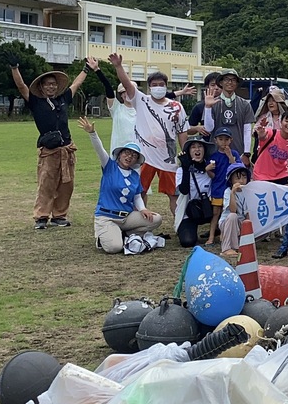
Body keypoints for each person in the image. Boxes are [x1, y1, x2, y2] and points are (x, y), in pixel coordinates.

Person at [11, 59, 88, 229]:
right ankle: (41, 217)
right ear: (41, 87)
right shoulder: (36, 102)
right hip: (49, 150)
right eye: (47, 85)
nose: (51, 87)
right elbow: (21, 86)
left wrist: (86, 69)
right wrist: (15, 67)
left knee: (66, 184)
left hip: (66, 148)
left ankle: (59, 216)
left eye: (53, 84)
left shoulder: (63, 99)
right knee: (46, 184)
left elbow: (76, 84)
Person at [111, 54, 188, 221]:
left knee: (173, 194)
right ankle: (138, 223)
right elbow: (126, 84)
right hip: (144, 157)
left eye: (161, 85)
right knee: (140, 191)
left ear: (166, 86)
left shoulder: (176, 106)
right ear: (149, 87)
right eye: (154, 85)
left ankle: (181, 223)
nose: (158, 87)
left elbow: (182, 131)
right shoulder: (142, 100)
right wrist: (118, 66)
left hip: (167, 158)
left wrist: (186, 152)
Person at [77, 117, 162, 254]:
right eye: (127, 153)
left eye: (133, 156)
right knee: (114, 248)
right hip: (107, 216)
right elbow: (100, 150)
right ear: (120, 154)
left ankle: (124, 232)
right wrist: (92, 133)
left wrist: (143, 209)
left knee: (155, 219)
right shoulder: (109, 166)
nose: (129, 157)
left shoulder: (134, 176)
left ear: (136, 160)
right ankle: (104, 235)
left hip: (126, 217)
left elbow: (136, 196)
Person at [203, 68, 256, 167]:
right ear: (221, 82)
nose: (230, 82)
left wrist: (246, 153)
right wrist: (207, 107)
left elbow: (247, 130)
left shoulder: (244, 104)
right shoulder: (213, 102)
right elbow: (208, 128)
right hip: (216, 151)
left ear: (236, 83)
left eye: (233, 80)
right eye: (227, 79)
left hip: (238, 151)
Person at [175, 135, 216, 247]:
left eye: (200, 147)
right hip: (189, 211)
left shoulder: (211, 169)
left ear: (204, 150)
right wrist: (186, 169)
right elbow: (184, 190)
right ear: (188, 151)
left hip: (209, 209)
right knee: (187, 242)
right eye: (193, 147)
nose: (197, 149)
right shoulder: (181, 170)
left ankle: (217, 227)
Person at [204, 126, 242, 246]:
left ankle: (225, 235)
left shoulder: (234, 153)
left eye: (226, 139)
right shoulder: (213, 156)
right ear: (216, 140)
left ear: (230, 140)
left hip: (230, 188)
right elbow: (212, 176)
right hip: (217, 188)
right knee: (216, 213)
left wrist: (230, 156)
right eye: (221, 139)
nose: (223, 142)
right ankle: (211, 237)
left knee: (229, 212)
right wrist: (207, 170)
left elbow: (238, 169)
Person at [252, 109, 288, 183]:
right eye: (287, 121)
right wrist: (261, 134)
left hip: (281, 176)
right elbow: (263, 136)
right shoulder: (272, 133)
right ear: (281, 122)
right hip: (261, 175)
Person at [218, 163, 251, 258]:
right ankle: (226, 248)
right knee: (233, 216)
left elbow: (247, 212)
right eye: (237, 178)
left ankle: (239, 244)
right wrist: (233, 193)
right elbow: (233, 210)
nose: (241, 181)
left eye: (244, 177)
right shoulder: (228, 191)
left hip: (241, 222)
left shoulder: (248, 192)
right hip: (228, 221)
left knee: (248, 220)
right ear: (231, 180)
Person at [187, 72, 221, 137]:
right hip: (207, 143)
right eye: (213, 85)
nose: (216, 88)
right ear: (207, 87)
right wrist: (197, 128)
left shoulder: (230, 104)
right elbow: (187, 129)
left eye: (219, 85)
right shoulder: (199, 106)